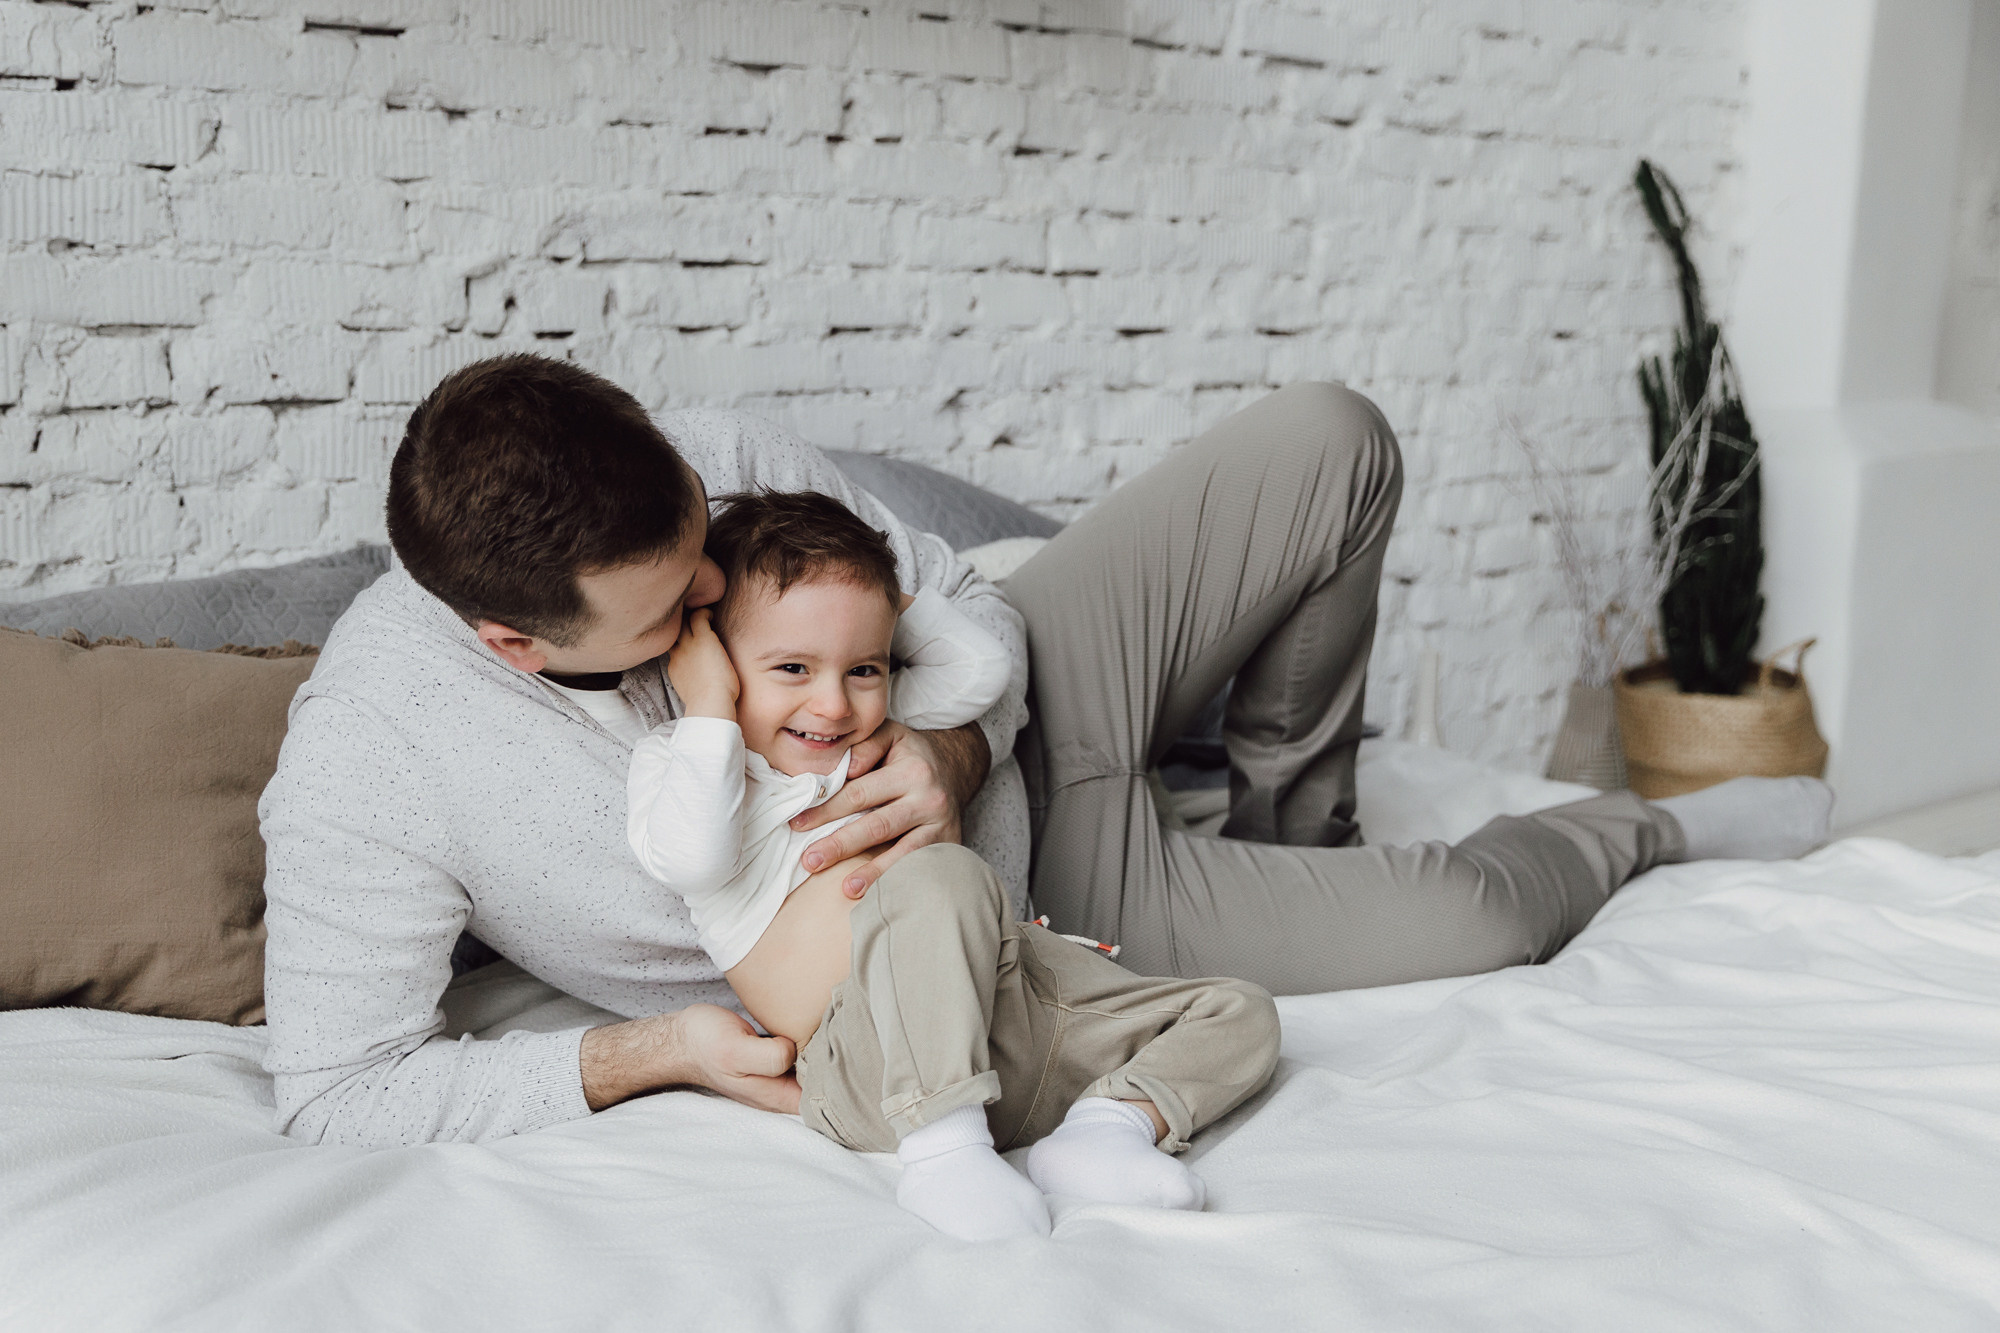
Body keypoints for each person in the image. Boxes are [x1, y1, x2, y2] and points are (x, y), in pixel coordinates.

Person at [259, 353, 1831, 1151]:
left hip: (1030, 699)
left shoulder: (706, 463)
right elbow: (336, 1092)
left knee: (1335, 438)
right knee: (1485, 919)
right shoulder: (374, 755)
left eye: (703, 538)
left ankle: (1304, 821)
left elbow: (948, 597)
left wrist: (948, 734)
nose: (719, 593)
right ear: (517, 646)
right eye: (681, 609)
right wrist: (649, 1052)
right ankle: (1665, 832)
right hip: (1036, 913)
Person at [627, 489, 1279, 1240]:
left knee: (1241, 1010)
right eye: (794, 666)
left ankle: (1107, 1129)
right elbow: (692, 857)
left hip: (1016, 1017)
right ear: (714, 659)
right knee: (942, 873)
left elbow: (980, 669)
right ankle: (945, 1150)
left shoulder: (872, 731)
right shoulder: (693, 767)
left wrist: (877, 602)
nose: (835, 703)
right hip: (874, 1052)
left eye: (863, 669)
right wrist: (708, 699)